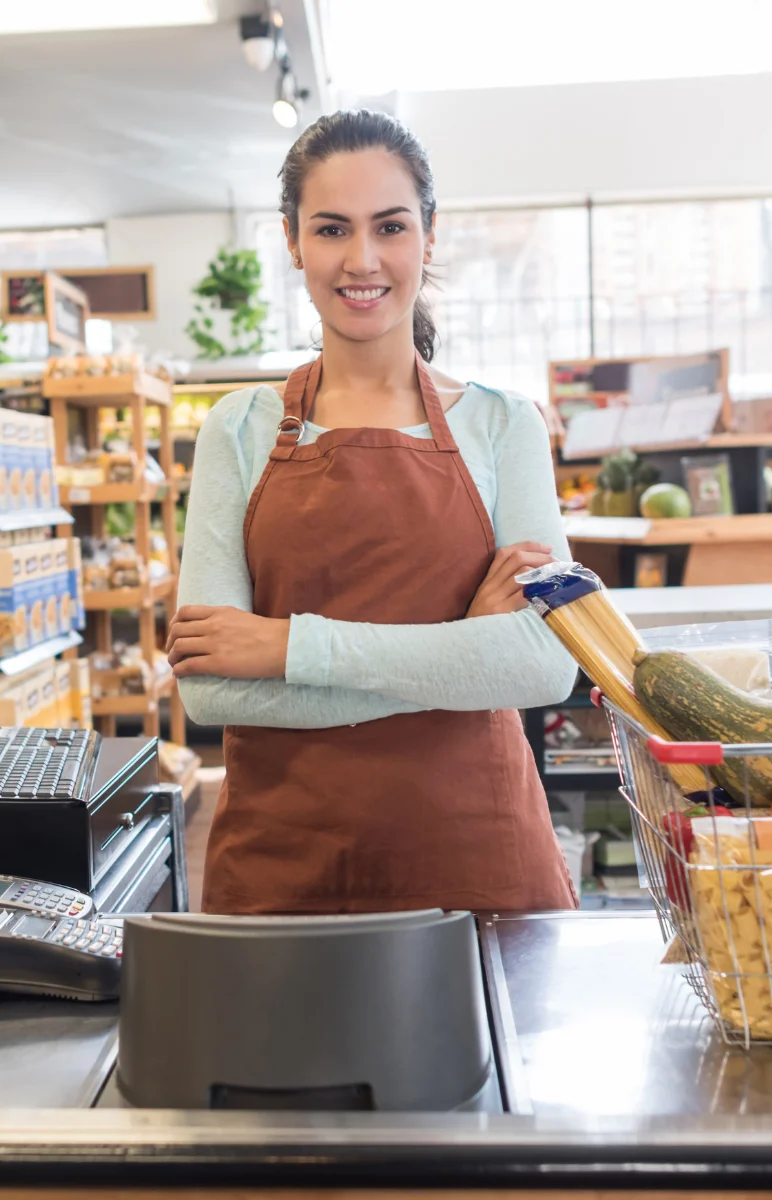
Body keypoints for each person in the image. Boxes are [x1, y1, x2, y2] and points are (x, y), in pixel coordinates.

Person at [168, 109, 579, 915]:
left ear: (429, 232)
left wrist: (287, 645)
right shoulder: (239, 428)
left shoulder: (505, 424)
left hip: (476, 860)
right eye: (330, 229)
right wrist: (463, 654)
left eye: (390, 226)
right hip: (287, 870)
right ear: (292, 241)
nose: (362, 260)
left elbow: (543, 667)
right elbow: (212, 692)